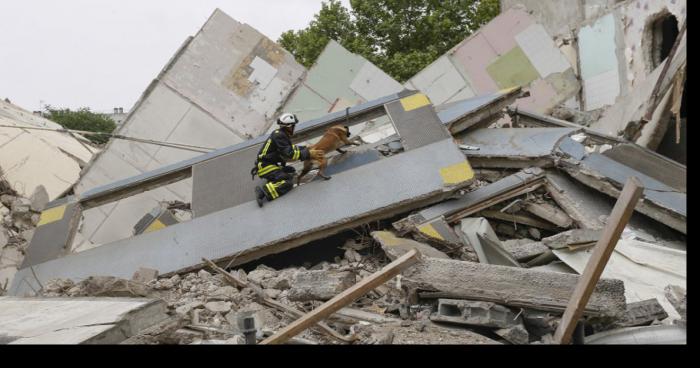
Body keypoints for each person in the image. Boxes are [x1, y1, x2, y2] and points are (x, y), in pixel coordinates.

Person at [251, 113, 314, 207]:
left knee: (291, 171)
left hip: (269, 164)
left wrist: (304, 148)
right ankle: (264, 191)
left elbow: (290, 148)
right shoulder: (280, 136)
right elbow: (289, 153)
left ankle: (274, 179)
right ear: (288, 126)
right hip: (265, 166)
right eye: (293, 125)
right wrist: (307, 153)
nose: (294, 127)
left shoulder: (280, 134)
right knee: (288, 181)